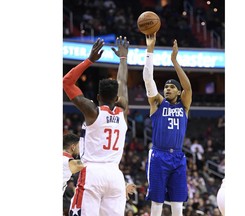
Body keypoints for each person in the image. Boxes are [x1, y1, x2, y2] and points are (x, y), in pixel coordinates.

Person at [63, 36, 130, 216]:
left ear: (98, 97)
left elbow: (67, 82)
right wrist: (123, 60)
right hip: (115, 175)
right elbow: (122, 84)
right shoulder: (123, 112)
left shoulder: (93, 112)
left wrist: (90, 60)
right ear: (117, 99)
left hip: (92, 173)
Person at [142, 33, 192, 216]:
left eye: (172, 87)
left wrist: (174, 61)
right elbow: (148, 78)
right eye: (166, 87)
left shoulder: (184, 106)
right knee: (157, 202)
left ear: (178, 92)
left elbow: (188, 88)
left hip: (178, 157)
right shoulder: (157, 103)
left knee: (178, 204)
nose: (167, 88)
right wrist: (150, 50)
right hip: (159, 155)